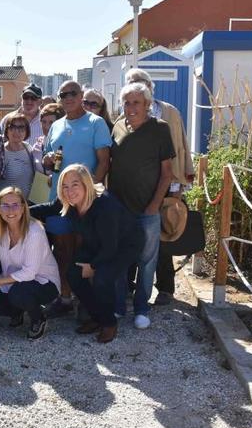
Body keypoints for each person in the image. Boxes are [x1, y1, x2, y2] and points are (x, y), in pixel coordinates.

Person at [29, 164, 142, 343]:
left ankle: (109, 323)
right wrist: (21, 212)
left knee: (102, 278)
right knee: (73, 274)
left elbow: (110, 247)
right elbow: (48, 208)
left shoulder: (105, 205)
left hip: (123, 245)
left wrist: (93, 266)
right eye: (64, 186)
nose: (69, 190)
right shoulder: (70, 201)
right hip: (97, 244)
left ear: (86, 184)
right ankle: (97, 318)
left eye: (75, 184)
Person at [40, 80, 112, 318]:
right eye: (63, 94)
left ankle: (86, 303)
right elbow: (47, 163)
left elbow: (104, 161)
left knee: (85, 250)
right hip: (59, 201)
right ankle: (65, 298)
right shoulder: (56, 125)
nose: (68, 97)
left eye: (72, 93)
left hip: (86, 203)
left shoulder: (96, 122)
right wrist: (48, 163)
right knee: (62, 249)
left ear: (81, 95)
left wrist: (92, 192)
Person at [123, 68, 195, 305]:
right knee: (133, 236)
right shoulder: (124, 114)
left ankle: (165, 288)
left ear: (150, 87)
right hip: (135, 186)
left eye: (142, 82)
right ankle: (130, 285)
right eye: (133, 82)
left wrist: (181, 178)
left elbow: (181, 142)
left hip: (165, 182)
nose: (138, 85)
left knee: (163, 235)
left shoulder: (169, 112)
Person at [109, 82, 175, 330]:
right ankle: (117, 307)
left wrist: (154, 205)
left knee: (147, 261)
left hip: (147, 210)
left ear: (148, 105)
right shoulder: (117, 126)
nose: (131, 107)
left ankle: (141, 308)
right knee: (118, 260)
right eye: (127, 102)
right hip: (118, 209)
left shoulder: (160, 129)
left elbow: (167, 173)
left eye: (136, 102)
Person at [0, 188, 60, 340]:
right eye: (5, 205)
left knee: (18, 294)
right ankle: (17, 311)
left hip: (44, 283)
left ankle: (38, 318)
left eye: (15, 205)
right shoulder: (1, 224)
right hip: (14, 282)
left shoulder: (34, 231)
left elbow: (29, 273)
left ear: (23, 207)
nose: (10, 210)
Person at [0, 112, 36, 199]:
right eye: (12, 127)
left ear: (26, 131)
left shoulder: (28, 148)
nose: (16, 131)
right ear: (6, 130)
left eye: (21, 128)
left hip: (26, 205)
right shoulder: (0, 152)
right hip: (7, 206)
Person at [31, 103, 65, 174]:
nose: (46, 126)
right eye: (43, 122)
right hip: (40, 184)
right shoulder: (37, 145)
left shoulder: (66, 143)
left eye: (51, 122)